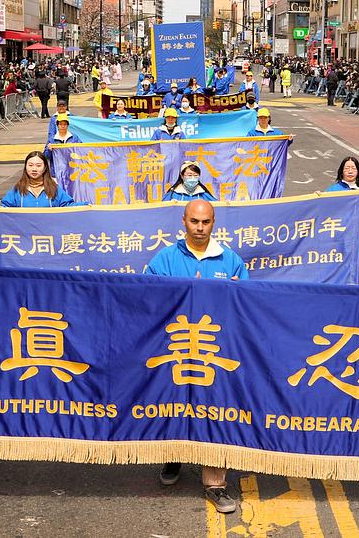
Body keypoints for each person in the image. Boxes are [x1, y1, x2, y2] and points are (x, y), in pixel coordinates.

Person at [144, 199, 247, 514]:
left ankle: (216, 485)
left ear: (213, 222)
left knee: (215, 413)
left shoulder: (229, 260)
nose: (200, 228)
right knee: (174, 407)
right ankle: (174, 456)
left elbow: (247, 306)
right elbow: (145, 294)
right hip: (176, 352)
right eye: (194, 222)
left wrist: (235, 293)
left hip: (214, 355)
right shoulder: (166, 258)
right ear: (183, 221)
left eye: (205, 222)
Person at [324, 157, 359, 251]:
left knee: (353, 266)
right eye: (346, 168)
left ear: (358, 172)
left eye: (353, 168)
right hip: (337, 240)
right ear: (341, 171)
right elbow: (321, 211)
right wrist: (318, 197)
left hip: (356, 240)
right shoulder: (332, 190)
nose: (350, 171)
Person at [0, 151, 78, 207]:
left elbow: (68, 206)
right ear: (25, 167)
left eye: (38, 165)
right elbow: (4, 208)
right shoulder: (18, 189)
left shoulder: (54, 188)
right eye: (30, 165)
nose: (34, 169)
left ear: (45, 168)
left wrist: (87, 205)